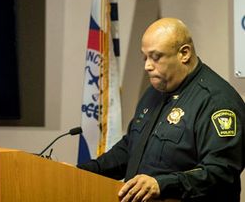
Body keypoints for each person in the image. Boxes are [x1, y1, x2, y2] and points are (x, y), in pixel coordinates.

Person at [77, 17, 245, 201]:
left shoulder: (216, 101)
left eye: (156, 57)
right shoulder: (154, 92)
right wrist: (81, 172)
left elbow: (221, 172)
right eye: (145, 57)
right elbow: (130, 148)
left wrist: (162, 185)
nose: (147, 66)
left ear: (184, 54)